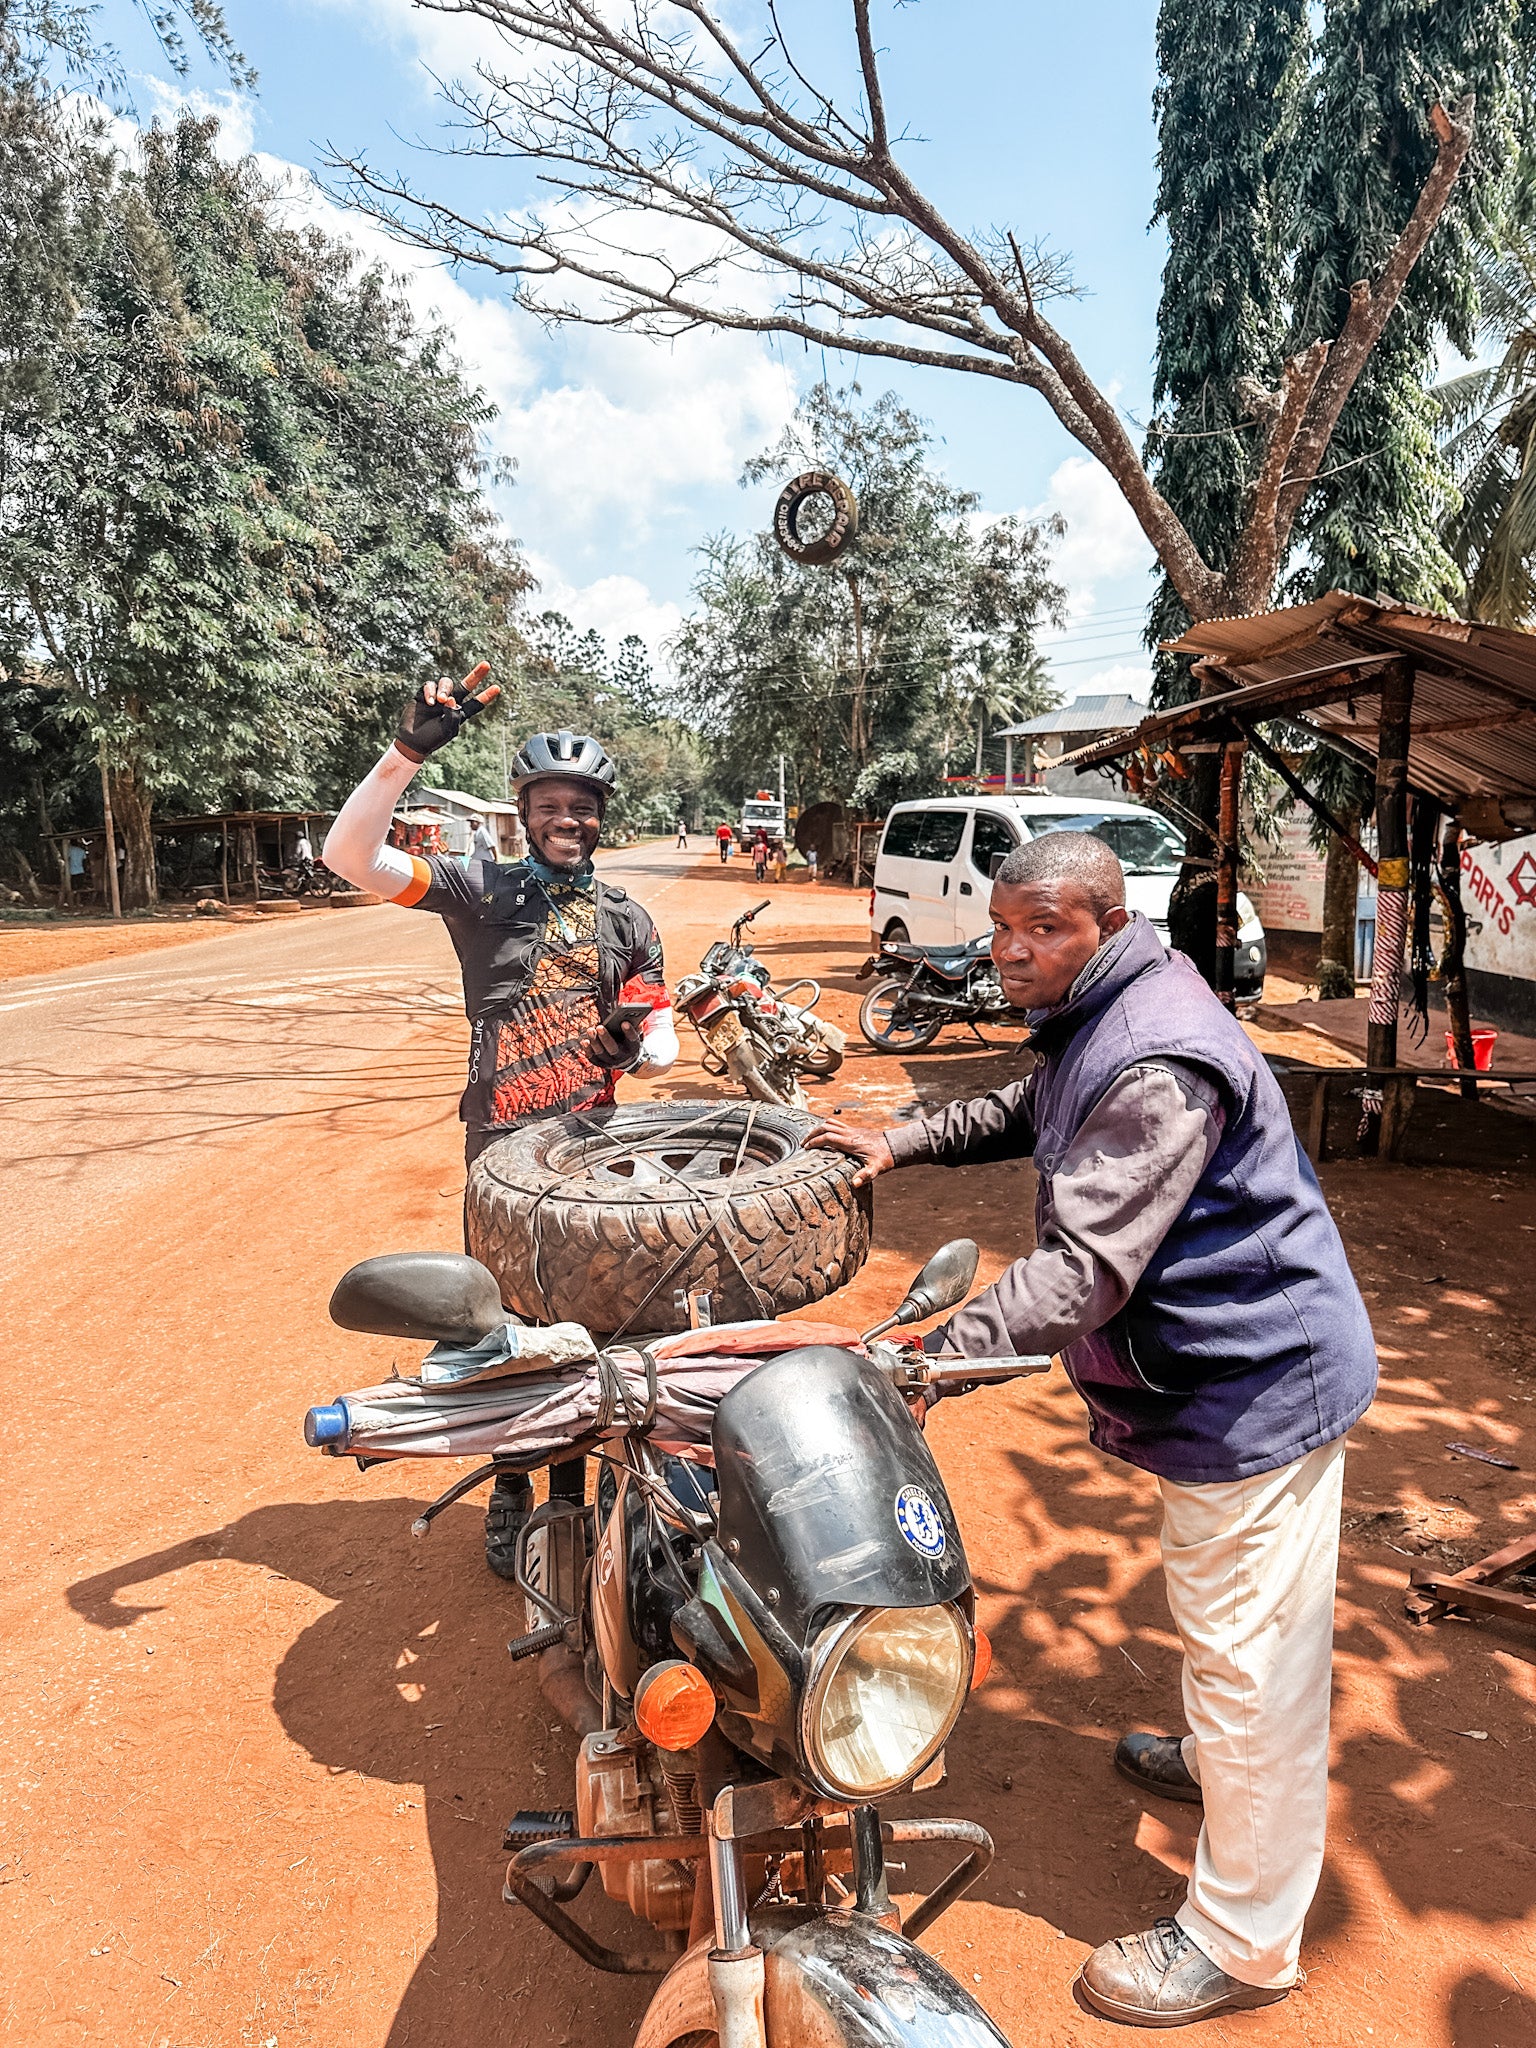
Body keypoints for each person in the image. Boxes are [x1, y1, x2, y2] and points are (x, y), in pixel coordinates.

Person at [807, 831, 1377, 2029]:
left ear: (1109, 920)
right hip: (1205, 1379)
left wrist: (921, 1359)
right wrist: (901, 1138)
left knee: (1251, 1659)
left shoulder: (1157, 1055)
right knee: (1226, 1622)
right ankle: (1224, 1767)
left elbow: (1081, 1275)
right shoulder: (1105, 1009)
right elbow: (1039, 1105)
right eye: (1004, 923)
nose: (1014, 950)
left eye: (1046, 928)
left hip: (1254, 1386)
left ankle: (1242, 1938)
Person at [324, 665, 680, 1578]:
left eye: (585, 806)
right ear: (524, 813)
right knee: (501, 1321)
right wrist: (408, 752)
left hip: (595, 1154)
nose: (570, 819)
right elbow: (349, 858)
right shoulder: (483, 891)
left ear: (602, 817)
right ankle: (513, 1485)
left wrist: (626, 1047)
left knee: (593, 1319)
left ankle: (573, 1493)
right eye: (552, 804)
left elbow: (666, 1045)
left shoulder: (630, 918)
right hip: (501, 1151)